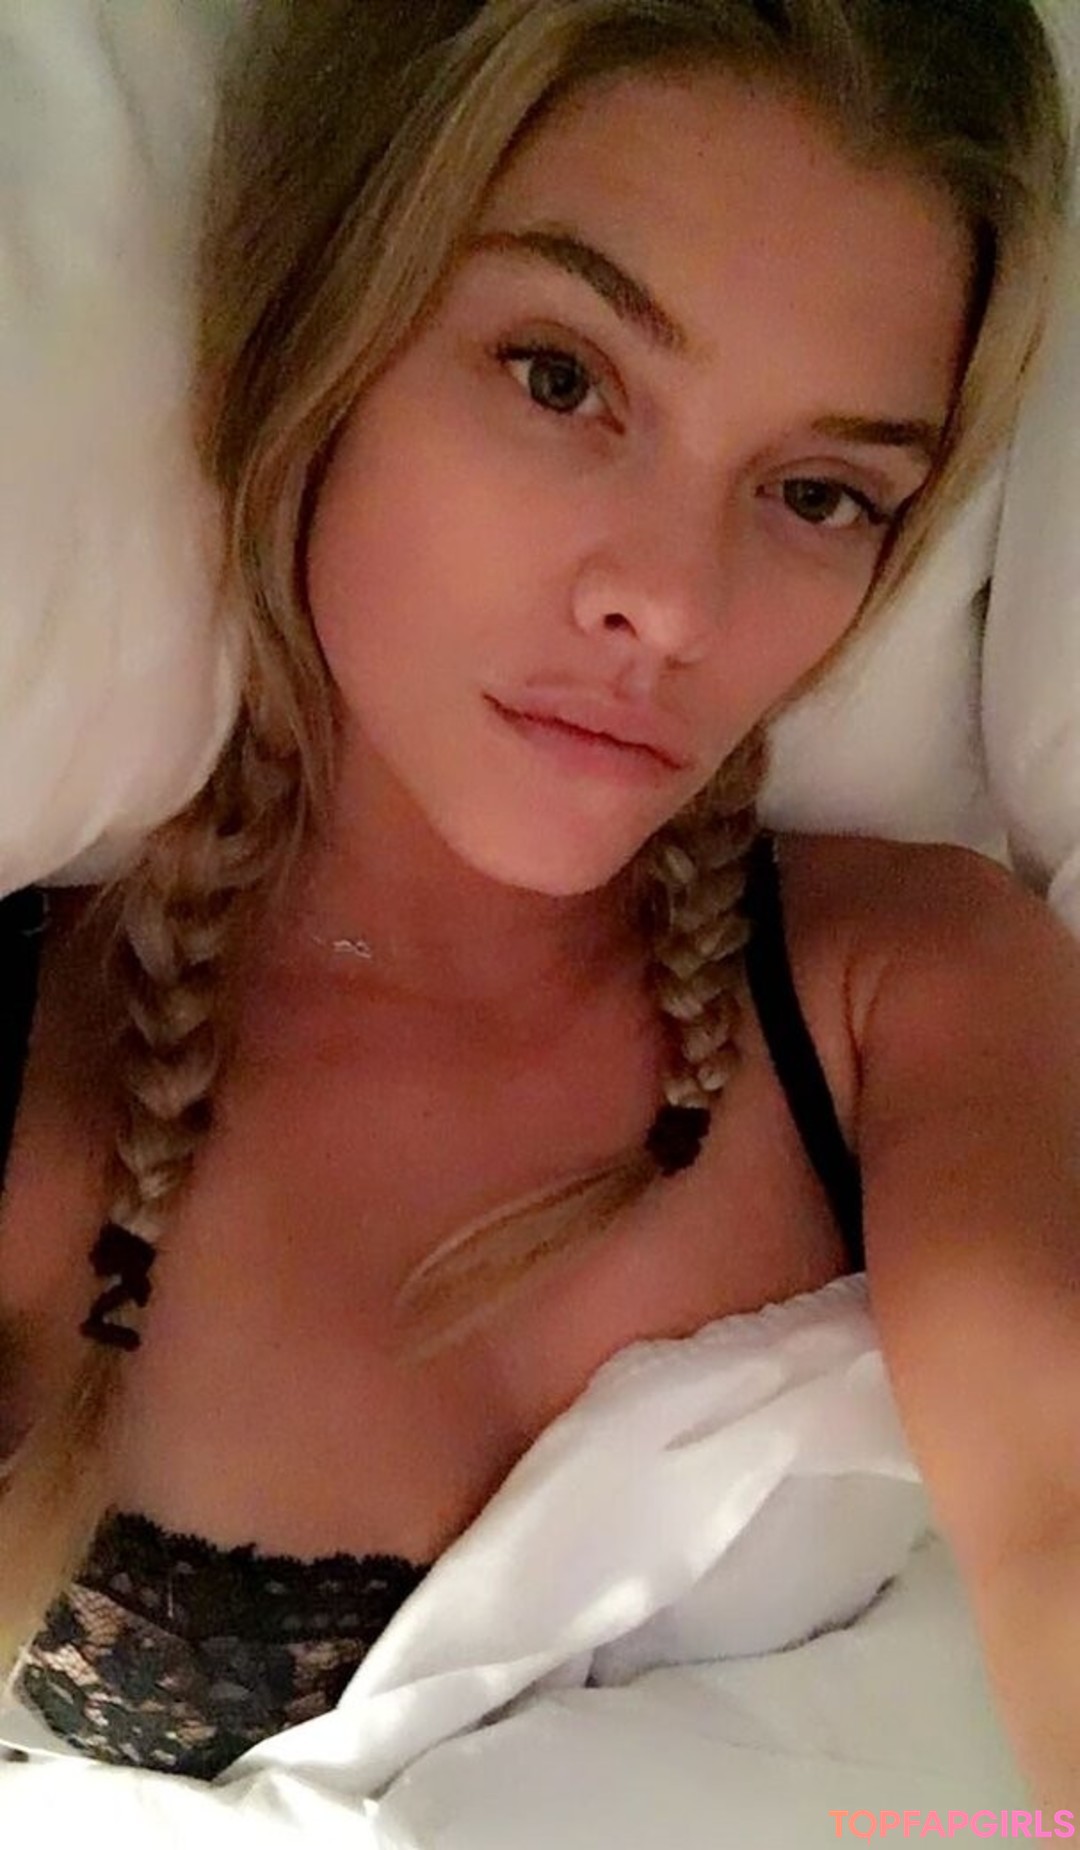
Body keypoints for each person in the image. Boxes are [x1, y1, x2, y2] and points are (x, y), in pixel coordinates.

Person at [0, 0, 1075, 1808]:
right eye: (562, 380)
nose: (675, 603)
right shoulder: (44, 1037)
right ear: (328, 321)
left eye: (818, 492)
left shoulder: (913, 986)